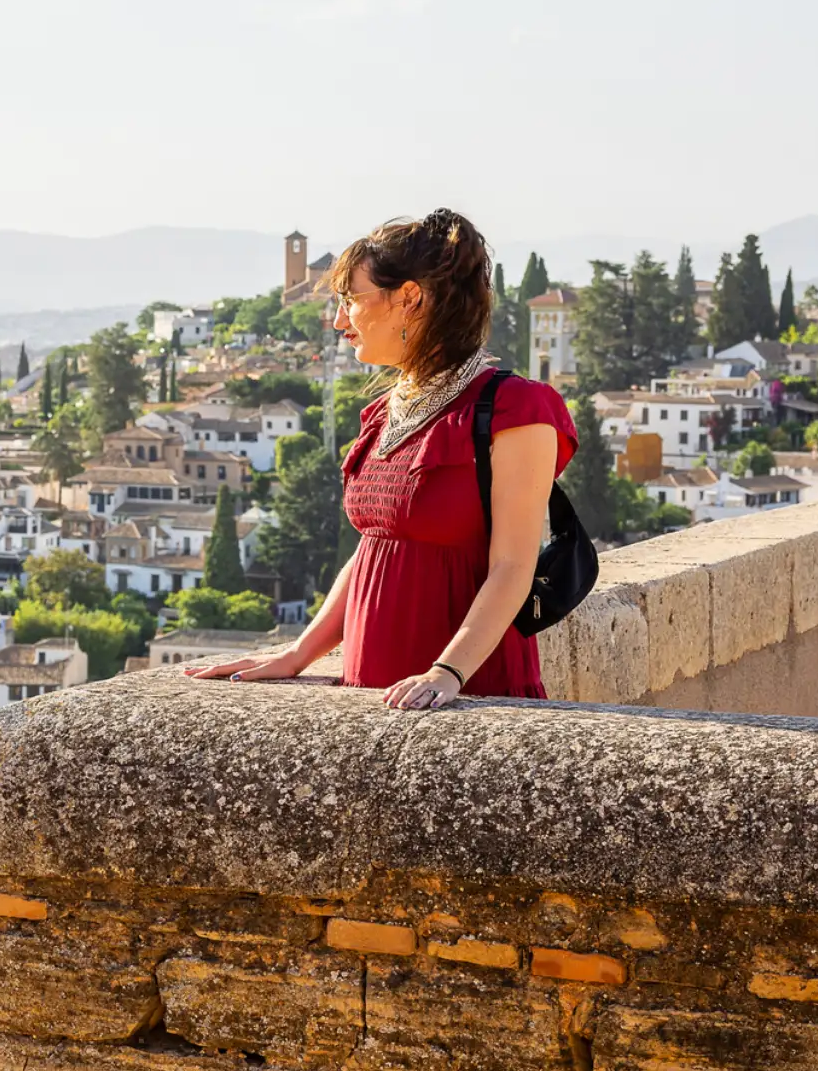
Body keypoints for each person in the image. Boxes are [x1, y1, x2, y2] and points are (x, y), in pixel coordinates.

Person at [187, 209, 575, 709]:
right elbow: (375, 548)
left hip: (466, 690)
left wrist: (446, 672)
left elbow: (512, 565)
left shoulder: (517, 409)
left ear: (409, 298)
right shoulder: (383, 413)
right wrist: (298, 654)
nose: (338, 320)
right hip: (373, 686)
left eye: (351, 299)